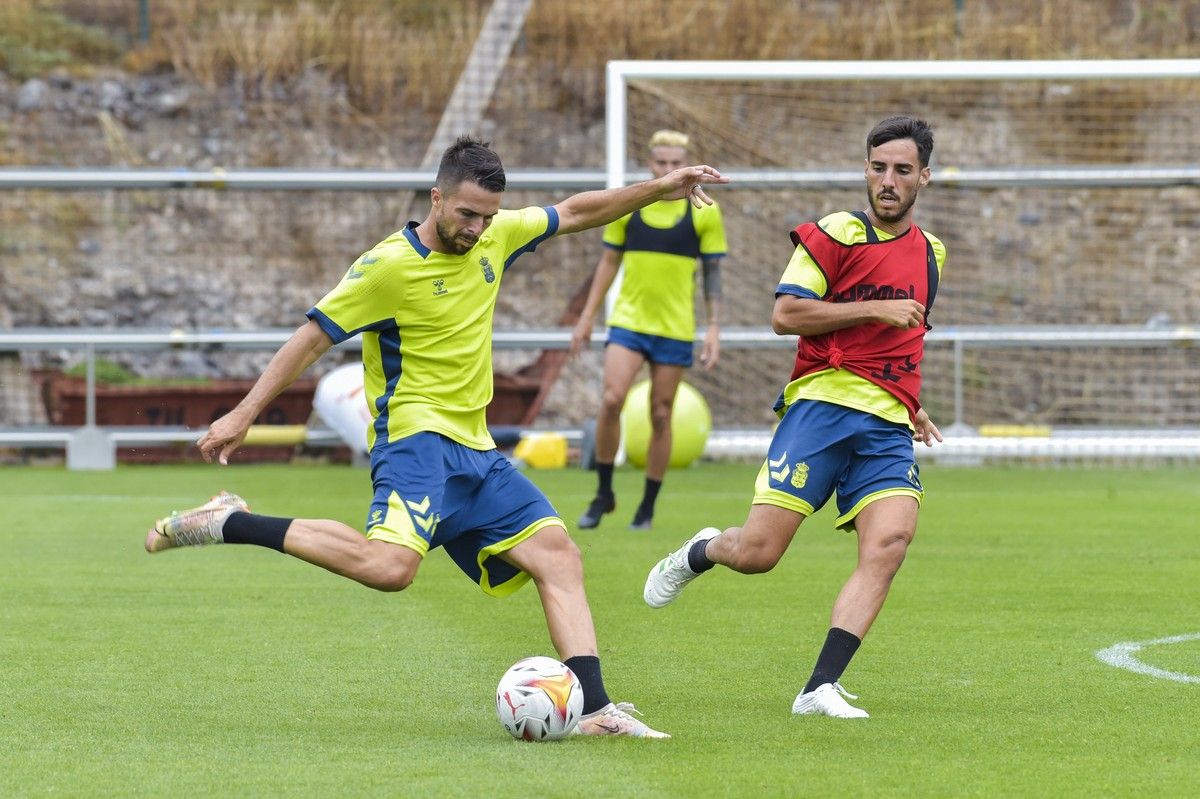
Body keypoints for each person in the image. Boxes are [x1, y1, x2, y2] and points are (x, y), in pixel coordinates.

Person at [144, 135, 727, 738]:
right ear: (437, 198)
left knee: (559, 556)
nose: (477, 228)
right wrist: (244, 414)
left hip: (476, 450)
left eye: (488, 217)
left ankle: (597, 710)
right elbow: (312, 337)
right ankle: (229, 520)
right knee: (390, 568)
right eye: (467, 214)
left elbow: (576, 212)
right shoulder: (386, 267)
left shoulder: (496, 236)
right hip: (414, 442)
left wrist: (657, 189)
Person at [642, 116, 945, 719]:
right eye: (879, 167)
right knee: (757, 554)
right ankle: (702, 550)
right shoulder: (836, 232)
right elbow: (786, 315)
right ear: (866, 170)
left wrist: (912, 403)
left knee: (889, 542)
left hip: (884, 424)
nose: (888, 181)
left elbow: (900, 343)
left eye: (902, 171)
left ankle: (819, 688)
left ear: (924, 178)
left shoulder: (932, 253)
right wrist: (879, 310)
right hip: (820, 412)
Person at [570, 129, 728, 531]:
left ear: (687, 166)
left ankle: (647, 507)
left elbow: (712, 274)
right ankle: (603, 493)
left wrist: (713, 328)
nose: (669, 170)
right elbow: (607, 262)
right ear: (650, 165)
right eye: (662, 163)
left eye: (677, 163)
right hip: (628, 322)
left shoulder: (705, 211)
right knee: (611, 399)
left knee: (661, 413)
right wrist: (588, 316)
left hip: (674, 328)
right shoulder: (629, 206)